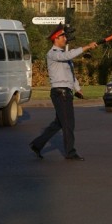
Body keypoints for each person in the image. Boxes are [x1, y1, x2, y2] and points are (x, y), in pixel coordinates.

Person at [30, 25, 98, 161]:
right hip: (60, 93)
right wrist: (87, 47)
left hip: (66, 92)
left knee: (59, 123)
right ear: (56, 39)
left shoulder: (63, 56)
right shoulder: (53, 54)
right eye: (63, 37)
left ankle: (37, 145)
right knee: (68, 123)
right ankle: (70, 153)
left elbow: (70, 74)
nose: (65, 39)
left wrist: (77, 88)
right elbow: (69, 54)